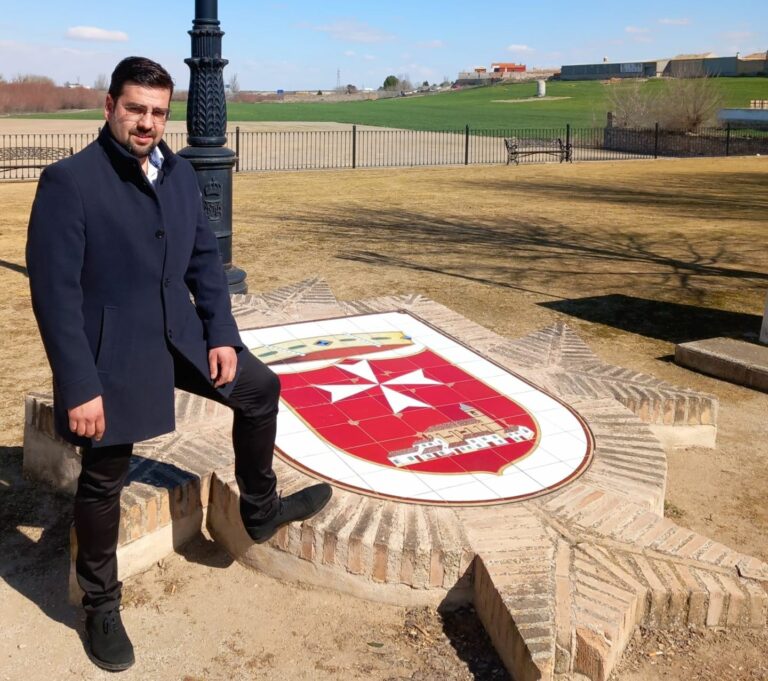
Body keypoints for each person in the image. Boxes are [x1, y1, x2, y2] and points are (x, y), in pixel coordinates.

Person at [26, 56, 331, 672]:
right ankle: (99, 602)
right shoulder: (70, 181)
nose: (146, 122)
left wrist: (220, 333)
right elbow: (53, 296)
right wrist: (79, 385)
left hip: (181, 335)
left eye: (158, 112)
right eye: (135, 108)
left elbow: (203, 264)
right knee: (105, 475)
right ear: (109, 105)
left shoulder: (181, 173)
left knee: (259, 389)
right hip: (113, 351)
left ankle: (260, 509)